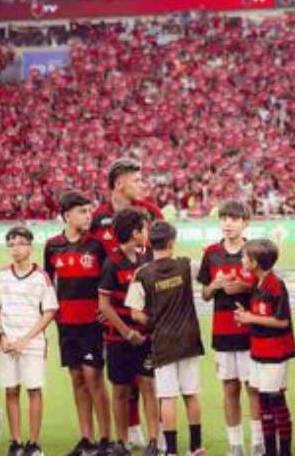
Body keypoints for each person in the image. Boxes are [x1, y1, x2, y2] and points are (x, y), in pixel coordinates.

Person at [90, 158, 163, 451]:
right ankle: (129, 432)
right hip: (112, 313)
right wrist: (100, 301)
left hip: (144, 315)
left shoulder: (152, 212)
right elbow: (93, 259)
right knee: (121, 381)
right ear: (120, 183)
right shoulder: (97, 218)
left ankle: (152, 436)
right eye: (137, 179)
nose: (143, 184)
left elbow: (164, 255)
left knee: (145, 380)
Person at [126, 221, 206, 456]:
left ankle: (171, 451)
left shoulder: (142, 273)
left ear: (150, 243)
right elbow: (207, 273)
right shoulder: (185, 265)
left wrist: (152, 323)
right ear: (172, 242)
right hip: (189, 339)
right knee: (191, 393)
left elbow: (134, 312)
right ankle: (196, 446)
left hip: (163, 342)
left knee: (167, 397)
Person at [43, 192, 112, 456]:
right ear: (67, 216)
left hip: (92, 323)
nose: (88, 216)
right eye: (82, 211)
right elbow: (47, 284)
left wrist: (108, 309)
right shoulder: (53, 246)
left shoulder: (96, 245)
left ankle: (106, 439)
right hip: (66, 324)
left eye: (89, 211)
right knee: (77, 378)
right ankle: (87, 438)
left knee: (94, 377)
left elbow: (109, 280)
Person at [196, 200, 262, 456]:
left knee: (253, 388)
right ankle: (236, 446)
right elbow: (204, 293)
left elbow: (267, 288)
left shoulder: (255, 251)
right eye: (224, 218)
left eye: (233, 219)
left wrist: (246, 288)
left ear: (245, 222)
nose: (227, 223)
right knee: (229, 389)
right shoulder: (211, 252)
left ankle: (258, 443)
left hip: (251, 332)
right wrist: (214, 285)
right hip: (222, 332)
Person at [97, 208, 158, 456]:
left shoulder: (147, 259)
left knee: (147, 386)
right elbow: (104, 305)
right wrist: (125, 332)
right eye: (145, 229)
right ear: (135, 233)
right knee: (121, 390)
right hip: (118, 338)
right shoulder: (112, 263)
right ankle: (123, 443)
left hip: (145, 336)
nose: (148, 234)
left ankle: (154, 441)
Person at [0, 227, 57, 456]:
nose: (15, 249)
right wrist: (1, 335)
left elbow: (49, 311)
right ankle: (16, 441)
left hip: (32, 343)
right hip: (8, 344)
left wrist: (26, 339)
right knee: (11, 390)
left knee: (33, 389)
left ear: (30, 246)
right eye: (10, 244)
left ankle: (34, 442)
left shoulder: (41, 277)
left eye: (20, 243)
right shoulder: (0, 276)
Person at [235, 239, 295, 456]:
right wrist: (246, 317)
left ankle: (285, 451)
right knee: (263, 401)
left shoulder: (275, 285)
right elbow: (260, 315)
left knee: (275, 400)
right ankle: (270, 450)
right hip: (258, 350)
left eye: (244, 257)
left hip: (275, 352)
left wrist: (250, 317)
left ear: (255, 262)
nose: (242, 260)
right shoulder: (257, 283)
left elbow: (282, 321)